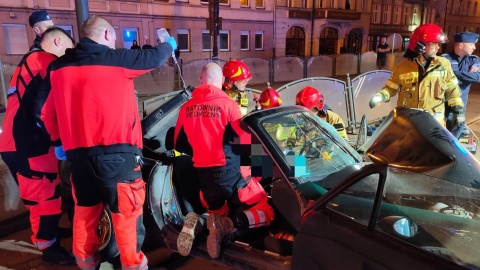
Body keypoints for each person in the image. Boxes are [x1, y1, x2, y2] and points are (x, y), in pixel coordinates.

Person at [36, 15, 176, 270]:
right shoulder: (117, 59)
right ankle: (133, 266)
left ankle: (87, 264)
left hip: (78, 158)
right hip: (118, 157)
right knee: (126, 216)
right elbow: (154, 57)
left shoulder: (57, 68)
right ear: (108, 35)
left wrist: (58, 141)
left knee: (86, 212)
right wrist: (169, 45)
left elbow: (45, 112)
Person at [174, 63, 274, 259]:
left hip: (205, 179)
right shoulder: (229, 105)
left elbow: (179, 143)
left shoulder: (185, 109)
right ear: (221, 81)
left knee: (218, 211)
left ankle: (201, 221)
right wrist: (263, 163)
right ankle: (228, 225)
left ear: (201, 81)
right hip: (232, 175)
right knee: (266, 211)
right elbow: (245, 142)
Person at [0, 27, 75, 265]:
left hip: (19, 142)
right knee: (43, 198)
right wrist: (59, 142)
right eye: (68, 50)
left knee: (42, 195)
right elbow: (45, 110)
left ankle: (48, 235)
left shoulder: (28, 62)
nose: (67, 56)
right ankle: (49, 247)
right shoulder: (46, 62)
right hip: (29, 144)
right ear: (56, 41)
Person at [369, 24, 464, 126]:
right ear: (421, 46)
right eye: (434, 44)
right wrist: (380, 96)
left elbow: (453, 89)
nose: (438, 47)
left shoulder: (443, 64)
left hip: (434, 126)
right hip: (408, 124)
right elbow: (391, 88)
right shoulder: (402, 67)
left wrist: (457, 107)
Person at [443, 31, 480, 135]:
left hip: (460, 105)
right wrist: (467, 74)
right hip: (442, 103)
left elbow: (477, 77)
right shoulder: (445, 59)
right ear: (461, 45)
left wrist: (455, 73)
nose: (474, 48)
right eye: (471, 44)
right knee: (438, 130)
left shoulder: (473, 60)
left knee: (457, 128)